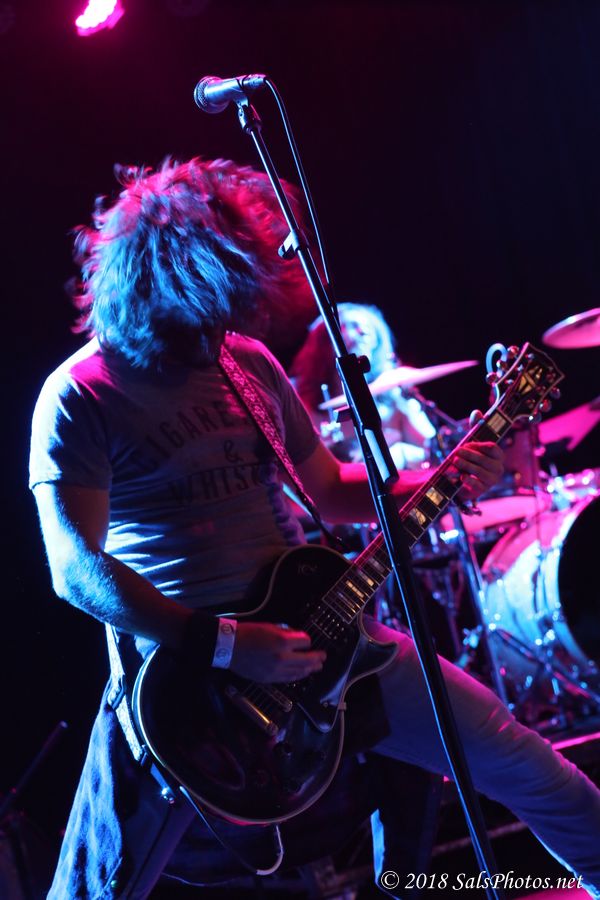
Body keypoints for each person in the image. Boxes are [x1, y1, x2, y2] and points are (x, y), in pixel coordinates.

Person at [29, 157, 600, 899]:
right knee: (104, 884)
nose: (236, 320)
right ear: (170, 287)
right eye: (217, 302)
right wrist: (229, 645)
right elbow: (73, 570)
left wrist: (446, 476)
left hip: (322, 639)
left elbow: (329, 489)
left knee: (521, 761)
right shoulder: (81, 393)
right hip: (189, 690)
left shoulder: (246, 365)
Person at [290, 302, 436, 470]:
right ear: (326, 339)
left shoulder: (394, 395)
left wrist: (401, 454)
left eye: (369, 328)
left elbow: (432, 454)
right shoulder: (296, 397)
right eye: (352, 326)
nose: (364, 332)